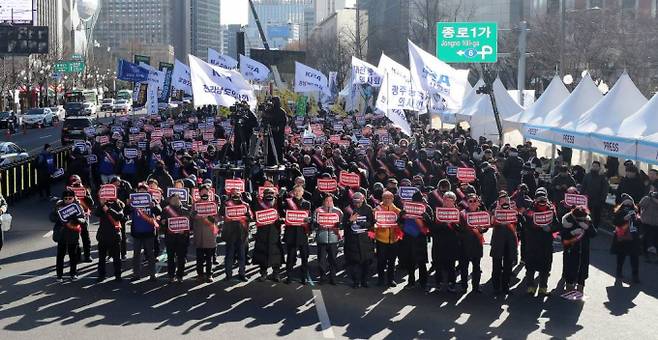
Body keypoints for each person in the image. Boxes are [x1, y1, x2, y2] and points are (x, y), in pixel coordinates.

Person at [523, 190, 559, 296]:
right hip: (533, 242)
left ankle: (543, 288)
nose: (541, 199)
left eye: (543, 197)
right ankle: (530, 287)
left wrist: (550, 229)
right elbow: (525, 225)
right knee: (530, 266)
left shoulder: (551, 210)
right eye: (539, 197)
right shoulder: (530, 210)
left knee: (546, 266)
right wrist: (535, 226)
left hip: (546, 243)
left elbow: (557, 226)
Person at [128, 182, 161, 282]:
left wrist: (154, 206)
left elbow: (159, 211)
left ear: (147, 191)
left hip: (149, 232)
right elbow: (125, 212)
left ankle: (152, 274)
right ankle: (136, 274)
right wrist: (128, 204)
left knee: (150, 255)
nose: (142, 191)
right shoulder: (133, 201)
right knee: (136, 254)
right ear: (137, 191)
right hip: (137, 232)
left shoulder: (152, 200)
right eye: (140, 190)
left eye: (144, 190)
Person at [50, 189, 85, 281]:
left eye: (70, 198)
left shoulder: (77, 206)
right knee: (60, 256)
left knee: (73, 256)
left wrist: (76, 219)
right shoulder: (59, 206)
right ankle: (59, 275)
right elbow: (51, 217)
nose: (68, 200)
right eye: (66, 198)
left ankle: (73, 274)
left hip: (73, 233)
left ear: (73, 198)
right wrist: (58, 216)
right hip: (61, 234)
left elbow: (83, 219)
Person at [399, 191, 431, 291]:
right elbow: (399, 221)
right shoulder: (406, 207)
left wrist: (425, 217)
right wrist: (402, 215)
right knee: (410, 261)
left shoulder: (426, 208)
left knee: (421, 262)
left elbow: (431, 223)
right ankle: (411, 281)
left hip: (420, 236)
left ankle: (423, 282)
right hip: (409, 236)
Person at [560, 206, 596, 293]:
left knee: (583, 268)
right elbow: (563, 235)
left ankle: (580, 287)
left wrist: (587, 228)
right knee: (570, 267)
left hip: (584, 249)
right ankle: (569, 287)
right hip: (572, 248)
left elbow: (594, 233)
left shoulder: (587, 220)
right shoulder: (568, 220)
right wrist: (572, 233)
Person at [342, 191, 375, 288]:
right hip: (352, 239)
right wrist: (350, 221)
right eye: (355, 202)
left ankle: (364, 281)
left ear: (363, 200)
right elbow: (343, 225)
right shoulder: (348, 209)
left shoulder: (368, 208)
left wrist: (364, 224)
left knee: (366, 262)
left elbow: (372, 223)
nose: (357, 204)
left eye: (359, 202)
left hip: (365, 239)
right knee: (354, 262)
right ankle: (356, 282)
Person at [281, 185, 312, 284]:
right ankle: (289, 276)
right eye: (296, 191)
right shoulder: (287, 202)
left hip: (302, 233)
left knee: (304, 257)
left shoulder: (307, 203)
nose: (298, 192)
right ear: (293, 192)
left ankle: (304, 277)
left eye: (300, 191)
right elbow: (282, 213)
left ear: (303, 192)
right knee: (290, 257)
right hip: (291, 233)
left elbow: (309, 217)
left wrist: (309, 224)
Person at [252, 188, 284, 282]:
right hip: (262, 232)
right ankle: (263, 273)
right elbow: (254, 214)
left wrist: (281, 220)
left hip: (275, 231)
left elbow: (283, 213)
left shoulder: (278, 202)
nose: (269, 195)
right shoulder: (259, 203)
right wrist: (253, 199)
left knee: (276, 253)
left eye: (271, 193)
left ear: (274, 194)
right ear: (264, 194)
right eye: (267, 193)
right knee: (262, 253)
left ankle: (276, 273)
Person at [489, 191, 518, 295]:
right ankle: (496, 287)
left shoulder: (514, 211)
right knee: (496, 265)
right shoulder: (495, 211)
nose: (505, 202)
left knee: (508, 266)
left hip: (510, 241)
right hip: (498, 241)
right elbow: (491, 222)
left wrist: (516, 212)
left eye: (507, 201)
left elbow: (520, 222)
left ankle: (506, 287)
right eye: (503, 201)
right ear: (499, 202)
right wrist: (496, 211)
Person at [457, 194, 486, 293]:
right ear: (467, 203)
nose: (473, 203)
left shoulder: (482, 214)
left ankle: (476, 287)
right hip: (464, 244)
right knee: (464, 267)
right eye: (470, 201)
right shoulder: (461, 214)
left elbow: (486, 227)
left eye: (475, 201)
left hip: (477, 244)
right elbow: (457, 228)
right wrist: (467, 229)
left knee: (476, 267)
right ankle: (463, 286)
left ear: (478, 202)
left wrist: (482, 229)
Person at [221, 189, 251, 282]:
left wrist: (241, 217)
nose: (235, 195)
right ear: (230, 195)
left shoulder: (245, 205)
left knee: (242, 256)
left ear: (240, 195)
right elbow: (221, 214)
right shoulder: (226, 204)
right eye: (233, 194)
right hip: (230, 234)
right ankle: (228, 275)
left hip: (242, 234)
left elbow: (250, 217)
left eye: (237, 193)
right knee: (229, 256)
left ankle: (242, 274)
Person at [374, 191, 402, 287]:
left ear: (392, 199)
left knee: (392, 261)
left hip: (394, 239)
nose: (387, 200)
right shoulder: (376, 210)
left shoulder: (398, 211)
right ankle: (381, 280)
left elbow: (402, 224)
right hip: (381, 239)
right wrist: (376, 226)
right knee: (381, 261)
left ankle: (391, 280)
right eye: (385, 198)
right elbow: (372, 224)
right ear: (382, 199)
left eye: (389, 198)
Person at [161, 194, 191, 283]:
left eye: (176, 199)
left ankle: (180, 276)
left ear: (180, 200)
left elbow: (190, 225)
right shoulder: (166, 211)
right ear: (169, 201)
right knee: (170, 258)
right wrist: (163, 222)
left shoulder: (186, 210)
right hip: (170, 238)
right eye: (172, 199)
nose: (174, 201)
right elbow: (162, 225)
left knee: (181, 258)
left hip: (182, 238)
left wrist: (185, 231)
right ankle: (171, 276)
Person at [192, 184, 219, 283]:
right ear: (199, 193)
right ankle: (200, 274)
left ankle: (209, 274)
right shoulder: (195, 205)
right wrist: (196, 216)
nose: (204, 194)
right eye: (202, 193)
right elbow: (192, 216)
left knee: (209, 258)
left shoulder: (213, 204)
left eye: (206, 193)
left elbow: (217, 218)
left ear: (209, 193)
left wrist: (211, 218)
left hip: (210, 235)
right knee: (199, 258)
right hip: (199, 235)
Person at [314, 193, 343, 285]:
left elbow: (342, 224)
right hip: (322, 238)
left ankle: (333, 278)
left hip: (333, 239)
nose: (329, 202)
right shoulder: (318, 210)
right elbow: (313, 223)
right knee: (321, 260)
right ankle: (322, 277)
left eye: (330, 200)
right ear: (324, 201)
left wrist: (340, 227)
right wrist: (316, 224)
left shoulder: (338, 211)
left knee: (333, 260)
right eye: (327, 201)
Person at [611, 194, 641, 283]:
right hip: (622, 236)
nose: (628, 204)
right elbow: (615, 222)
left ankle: (635, 276)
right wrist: (624, 218)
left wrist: (636, 219)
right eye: (626, 202)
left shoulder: (635, 212)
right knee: (621, 255)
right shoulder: (619, 211)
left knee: (634, 257)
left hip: (633, 237)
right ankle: (619, 271)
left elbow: (639, 224)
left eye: (630, 202)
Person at [95, 195, 125, 282]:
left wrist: (107, 208)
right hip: (103, 235)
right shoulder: (102, 205)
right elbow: (97, 213)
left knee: (117, 257)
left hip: (114, 235)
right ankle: (101, 275)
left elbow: (119, 216)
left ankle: (118, 275)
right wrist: (102, 204)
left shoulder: (118, 204)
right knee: (102, 257)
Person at [580, 161, 609, 228]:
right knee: (586, 214)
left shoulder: (602, 177)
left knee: (597, 215)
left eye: (596, 166)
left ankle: (595, 227)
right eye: (593, 166)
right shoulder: (587, 175)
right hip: (587, 199)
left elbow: (605, 189)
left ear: (599, 167)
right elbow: (583, 186)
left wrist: (602, 199)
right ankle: (585, 226)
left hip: (598, 200)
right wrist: (581, 196)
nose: (594, 167)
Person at [639, 191, 658, 263]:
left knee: (655, 240)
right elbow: (640, 205)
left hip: (656, 224)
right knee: (645, 239)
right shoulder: (648, 199)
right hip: (646, 222)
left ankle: (654, 255)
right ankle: (646, 255)